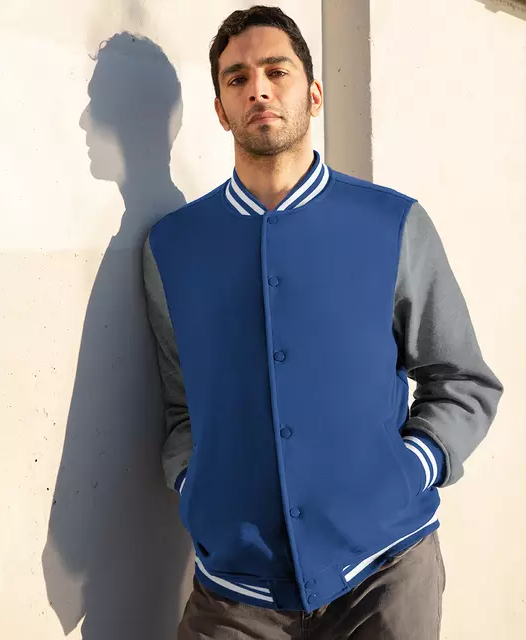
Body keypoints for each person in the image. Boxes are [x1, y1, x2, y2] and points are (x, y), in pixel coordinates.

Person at [142, 5, 504, 639]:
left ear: (312, 94)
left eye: (276, 71)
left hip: (385, 575)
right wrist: (196, 485)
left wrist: (407, 473)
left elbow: (462, 382)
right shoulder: (170, 248)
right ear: (221, 111)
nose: (257, 89)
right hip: (235, 592)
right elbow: (181, 407)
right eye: (237, 78)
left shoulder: (392, 224)